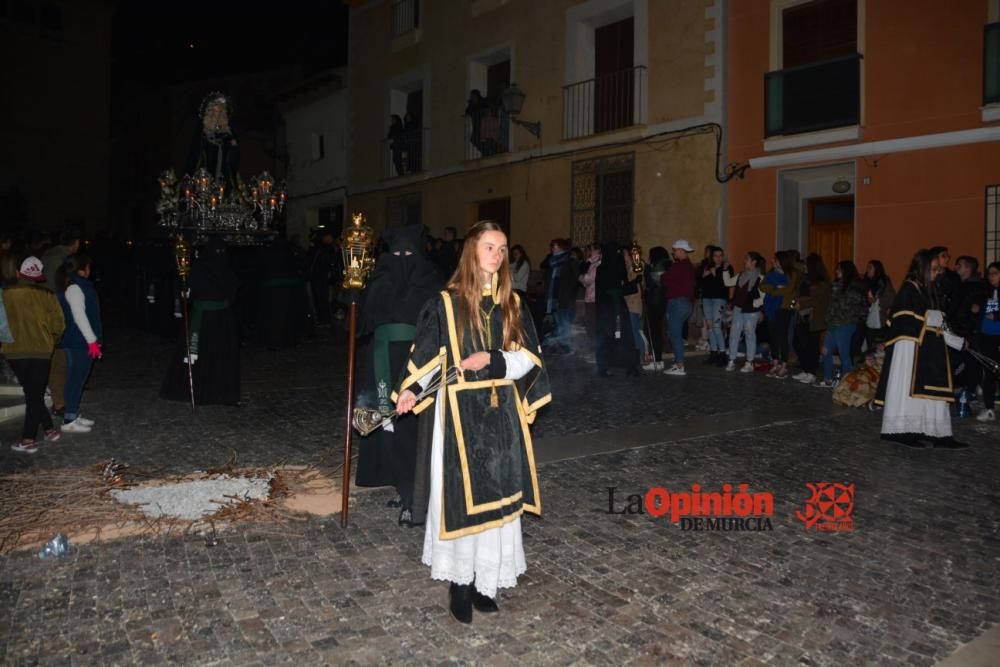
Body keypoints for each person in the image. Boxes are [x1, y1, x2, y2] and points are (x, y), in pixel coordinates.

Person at [394, 220, 551, 624]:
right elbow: (428, 357)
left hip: (502, 420)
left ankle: (486, 584)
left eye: (502, 249)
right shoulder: (445, 303)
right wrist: (411, 390)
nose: (497, 255)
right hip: (459, 418)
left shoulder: (513, 304)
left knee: (498, 499)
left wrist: (493, 359)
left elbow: (530, 361)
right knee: (462, 498)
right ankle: (460, 584)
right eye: (489, 247)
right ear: (471, 251)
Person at [356, 223, 443, 527]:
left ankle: (414, 498)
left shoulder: (430, 281)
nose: (403, 258)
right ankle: (398, 482)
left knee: (410, 431)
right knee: (384, 426)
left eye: (410, 253)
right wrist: (351, 294)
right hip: (380, 360)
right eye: (397, 253)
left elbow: (438, 323)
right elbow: (364, 318)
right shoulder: (380, 278)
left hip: (414, 361)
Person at [875, 249, 966, 448]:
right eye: (933, 269)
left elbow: (934, 316)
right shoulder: (910, 288)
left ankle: (938, 433)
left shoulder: (928, 289)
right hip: (909, 348)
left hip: (929, 347)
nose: (937, 274)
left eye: (938, 270)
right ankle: (900, 431)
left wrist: (950, 334)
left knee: (932, 389)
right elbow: (904, 317)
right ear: (922, 268)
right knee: (908, 390)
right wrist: (931, 318)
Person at [160, 238, 241, 406]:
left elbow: (188, 294)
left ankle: (215, 391)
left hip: (210, 318)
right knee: (211, 354)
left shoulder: (201, 269)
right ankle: (216, 391)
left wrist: (186, 291)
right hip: (216, 320)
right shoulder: (222, 268)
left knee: (216, 355)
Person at [2, 256, 65, 453]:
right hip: (42, 351)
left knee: (32, 393)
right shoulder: (47, 295)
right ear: (39, 277)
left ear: (20, 273)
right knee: (34, 393)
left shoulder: (5, 294)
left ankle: (28, 439)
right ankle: (48, 429)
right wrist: (50, 341)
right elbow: (59, 325)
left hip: (15, 350)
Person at [55, 253, 102, 433]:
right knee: (75, 378)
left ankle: (73, 414)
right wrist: (92, 341)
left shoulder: (78, 285)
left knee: (80, 378)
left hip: (80, 340)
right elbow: (80, 316)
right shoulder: (75, 288)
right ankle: (69, 419)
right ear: (83, 269)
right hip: (78, 341)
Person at [41, 227, 80, 417]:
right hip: (57, 308)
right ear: (75, 243)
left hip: (46, 305)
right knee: (60, 359)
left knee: (56, 356)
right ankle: (59, 401)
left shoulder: (49, 253)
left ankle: (58, 395)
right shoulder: (65, 261)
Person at [816, 261, 866, 388]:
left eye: (839, 269)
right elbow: (832, 306)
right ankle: (827, 379)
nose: (836, 272)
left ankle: (846, 384)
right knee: (825, 351)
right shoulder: (837, 285)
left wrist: (837, 294)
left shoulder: (854, 288)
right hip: (833, 323)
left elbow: (849, 307)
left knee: (844, 355)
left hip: (845, 325)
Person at [594, 243, 639, 377]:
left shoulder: (612, 267)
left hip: (612, 308)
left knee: (621, 335)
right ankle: (606, 367)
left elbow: (621, 286)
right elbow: (615, 288)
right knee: (610, 336)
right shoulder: (606, 268)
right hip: (610, 308)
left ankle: (625, 365)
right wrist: (633, 284)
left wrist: (633, 284)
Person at [759, 251, 800, 379]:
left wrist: (774, 290)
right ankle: (775, 363)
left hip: (785, 308)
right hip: (771, 308)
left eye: (775, 260)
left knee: (783, 336)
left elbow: (788, 290)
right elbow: (762, 286)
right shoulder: (771, 274)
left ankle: (784, 365)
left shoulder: (792, 274)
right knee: (773, 336)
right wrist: (776, 288)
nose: (772, 262)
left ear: (781, 261)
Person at [791, 254, 831, 385]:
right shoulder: (805, 278)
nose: (804, 266)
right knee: (798, 342)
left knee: (811, 345)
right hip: (802, 315)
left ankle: (811, 372)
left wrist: (801, 304)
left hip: (814, 317)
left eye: (807, 264)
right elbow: (795, 267)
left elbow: (815, 300)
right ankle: (805, 368)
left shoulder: (821, 283)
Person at [724, 252, 765, 372]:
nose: (744, 261)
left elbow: (764, 297)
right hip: (738, 308)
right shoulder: (741, 275)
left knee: (749, 334)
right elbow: (728, 282)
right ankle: (731, 359)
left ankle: (749, 362)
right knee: (734, 334)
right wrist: (725, 269)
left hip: (751, 311)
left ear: (754, 262)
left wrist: (754, 304)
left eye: (747, 259)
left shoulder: (760, 278)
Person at [660, 240, 696, 376]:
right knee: (673, 333)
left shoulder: (679, 266)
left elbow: (664, 279)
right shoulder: (688, 266)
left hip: (678, 303)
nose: (673, 252)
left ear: (681, 251)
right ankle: (678, 360)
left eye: (674, 250)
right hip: (685, 303)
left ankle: (679, 365)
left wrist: (665, 277)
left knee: (674, 334)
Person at [974, 261, 1000, 422]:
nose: (991, 276)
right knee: (989, 372)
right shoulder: (986, 291)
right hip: (986, 336)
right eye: (989, 273)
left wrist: (996, 316)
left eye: (995, 273)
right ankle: (989, 408)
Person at [699, 246, 733, 366]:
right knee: (710, 326)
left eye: (720, 256)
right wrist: (706, 274)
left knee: (717, 326)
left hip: (719, 299)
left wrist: (720, 271)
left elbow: (725, 284)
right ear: (712, 257)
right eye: (715, 256)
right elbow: (701, 282)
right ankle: (713, 353)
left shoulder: (727, 268)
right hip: (707, 299)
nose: (718, 258)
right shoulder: (707, 267)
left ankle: (722, 354)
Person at [642, 247, 670, 371]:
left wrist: (647, 270)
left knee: (653, 331)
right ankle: (657, 359)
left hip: (655, 302)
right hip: (660, 301)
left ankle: (657, 360)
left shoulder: (659, 266)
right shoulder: (665, 265)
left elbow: (652, 283)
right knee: (655, 331)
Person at [579, 242, 602, 355]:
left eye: (591, 250)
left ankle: (596, 351)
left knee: (593, 325)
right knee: (589, 324)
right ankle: (593, 349)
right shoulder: (590, 263)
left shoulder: (597, 263)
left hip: (594, 298)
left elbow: (589, 279)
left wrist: (581, 277)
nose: (589, 252)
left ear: (598, 251)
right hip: (590, 297)